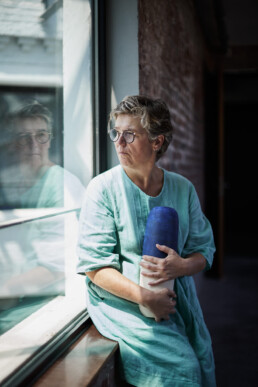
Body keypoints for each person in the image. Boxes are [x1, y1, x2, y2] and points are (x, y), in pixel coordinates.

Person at [77, 95, 216, 387]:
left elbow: (205, 250)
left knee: (199, 358)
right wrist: (146, 297)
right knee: (185, 369)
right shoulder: (101, 189)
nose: (119, 142)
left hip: (176, 303)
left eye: (129, 134)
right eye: (116, 132)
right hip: (123, 304)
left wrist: (182, 267)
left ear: (156, 142)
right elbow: (94, 267)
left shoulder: (182, 188)